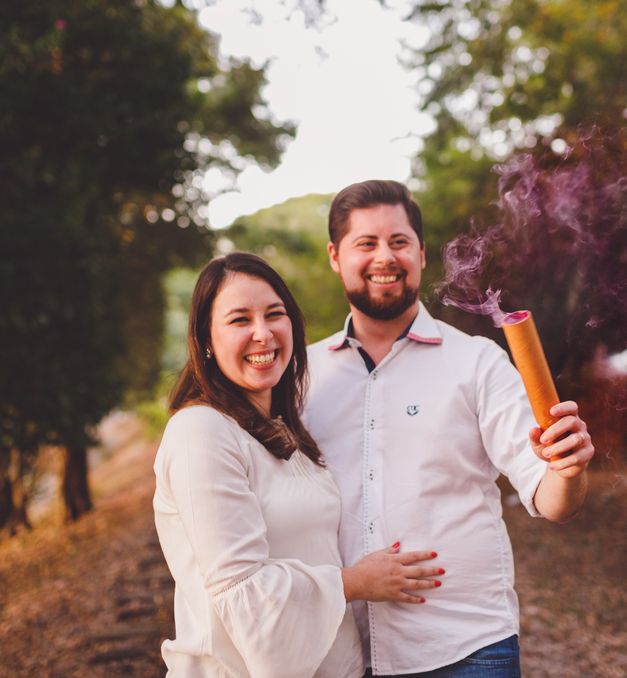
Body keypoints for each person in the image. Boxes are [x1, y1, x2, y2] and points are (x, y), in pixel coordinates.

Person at [303, 180, 595, 677]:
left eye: (398, 241)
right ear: (336, 256)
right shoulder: (303, 377)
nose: (384, 257)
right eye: (365, 243)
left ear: (420, 251)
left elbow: (552, 500)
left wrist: (567, 469)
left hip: (466, 650)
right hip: (339, 653)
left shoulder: (477, 362)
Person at [154, 252, 443, 678]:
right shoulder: (201, 431)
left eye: (275, 314)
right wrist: (357, 582)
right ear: (206, 341)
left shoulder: (285, 430)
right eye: (239, 320)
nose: (262, 333)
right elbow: (243, 591)